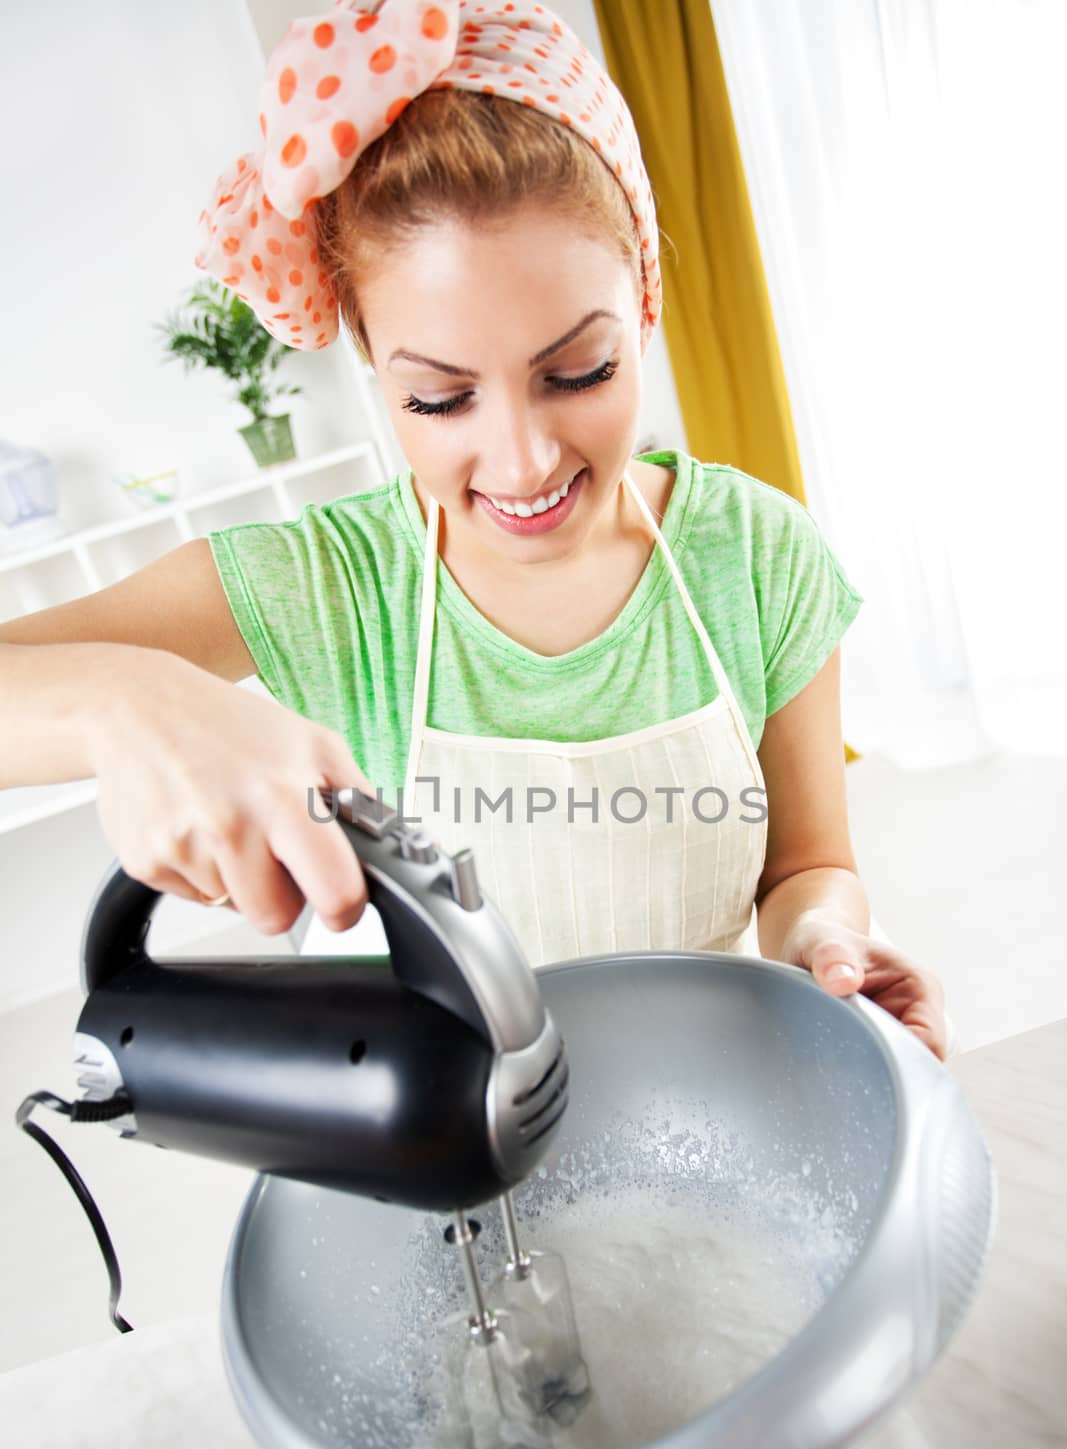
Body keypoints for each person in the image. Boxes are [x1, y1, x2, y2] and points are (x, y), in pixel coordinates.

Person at [0, 0, 948, 1059]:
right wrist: (127, 701)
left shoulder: (756, 555)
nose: (522, 461)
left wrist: (825, 937)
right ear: (369, 362)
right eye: (440, 400)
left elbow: (804, 865)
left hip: (714, 1093)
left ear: (642, 302)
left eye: (576, 372)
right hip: (439, 1166)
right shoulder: (328, 586)